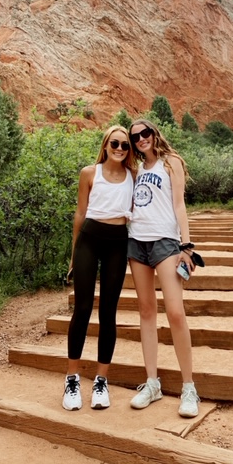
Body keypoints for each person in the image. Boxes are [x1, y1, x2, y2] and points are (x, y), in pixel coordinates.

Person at [127, 118, 200, 418]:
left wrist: (187, 245)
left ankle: (189, 387)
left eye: (145, 133)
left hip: (166, 243)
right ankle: (152, 383)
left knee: (175, 312)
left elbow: (179, 205)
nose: (141, 139)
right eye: (136, 137)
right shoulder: (136, 169)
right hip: (137, 243)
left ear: (154, 134)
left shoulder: (171, 163)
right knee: (146, 311)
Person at [62, 125, 136, 411]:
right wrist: (72, 254)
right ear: (105, 145)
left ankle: (101, 382)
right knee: (81, 308)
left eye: (125, 145)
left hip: (118, 241)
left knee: (108, 312)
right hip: (89, 240)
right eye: (114, 143)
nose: (119, 148)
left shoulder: (134, 176)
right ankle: (72, 380)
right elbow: (80, 213)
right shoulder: (89, 173)